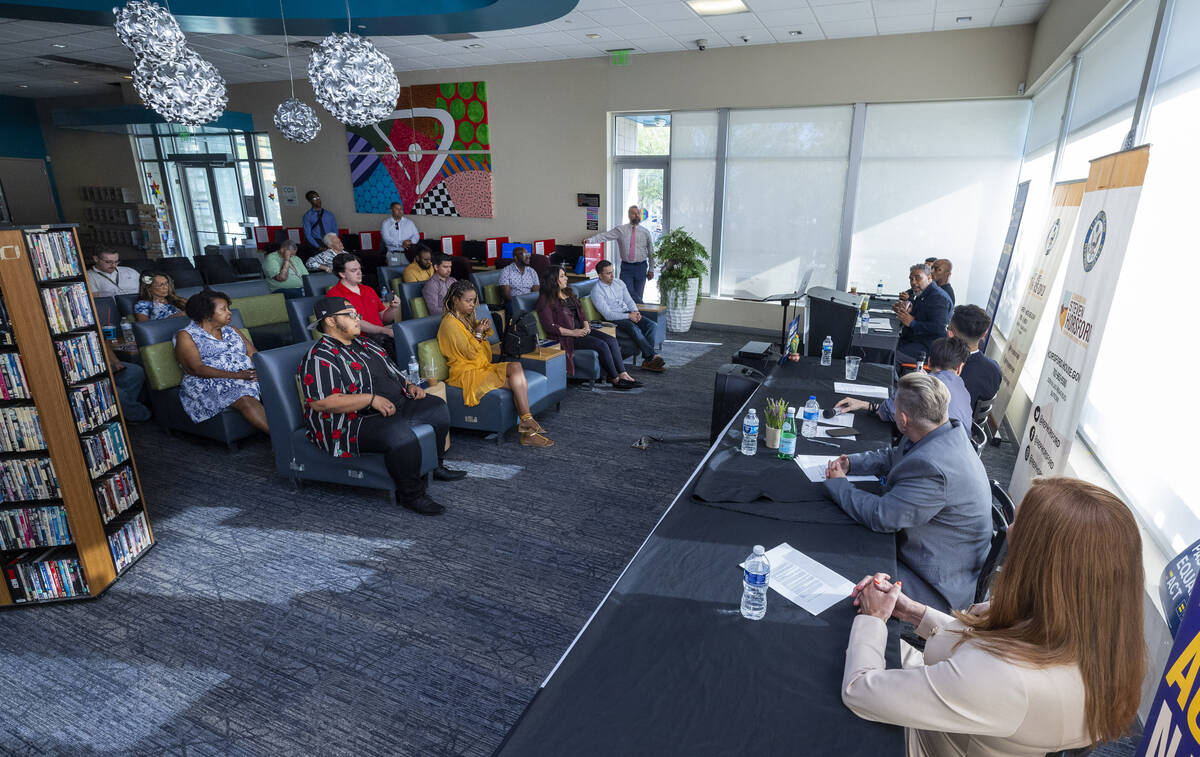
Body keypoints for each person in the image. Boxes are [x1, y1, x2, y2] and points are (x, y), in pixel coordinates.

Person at [843, 477, 1145, 757]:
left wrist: (874, 617)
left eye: (1018, 525)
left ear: (1040, 561)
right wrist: (914, 612)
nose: (1008, 531)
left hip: (915, 740)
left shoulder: (1006, 679)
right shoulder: (1091, 634)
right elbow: (989, 644)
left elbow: (859, 691)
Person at [823, 372, 990, 612]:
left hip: (935, 585)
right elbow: (897, 456)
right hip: (936, 555)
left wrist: (839, 484)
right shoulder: (943, 430)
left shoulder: (933, 468)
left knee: (839, 565)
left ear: (902, 419)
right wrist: (853, 463)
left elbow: (881, 516)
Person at [301, 296, 464, 515]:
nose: (357, 319)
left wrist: (409, 385)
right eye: (350, 315)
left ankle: (436, 466)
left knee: (436, 408)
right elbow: (322, 402)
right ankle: (411, 494)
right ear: (330, 321)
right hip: (351, 421)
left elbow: (392, 371)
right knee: (398, 433)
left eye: (357, 314)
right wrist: (370, 399)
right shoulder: (320, 356)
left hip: (392, 405)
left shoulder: (365, 343)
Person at [437, 280, 552, 447]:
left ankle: (527, 422)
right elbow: (470, 353)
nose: (472, 305)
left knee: (516, 366)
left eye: (473, 300)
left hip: (480, 367)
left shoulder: (466, 318)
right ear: (455, 300)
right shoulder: (449, 323)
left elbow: (483, 351)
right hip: (466, 373)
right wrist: (478, 332)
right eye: (468, 301)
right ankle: (528, 431)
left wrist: (480, 331)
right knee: (515, 384)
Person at [173, 290, 269, 433]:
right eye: (223, 309)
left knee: (277, 385)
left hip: (245, 375)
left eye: (228, 308)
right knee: (244, 397)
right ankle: (282, 440)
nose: (229, 312)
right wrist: (239, 376)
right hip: (208, 381)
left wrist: (261, 372)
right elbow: (197, 368)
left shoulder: (232, 330)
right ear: (206, 314)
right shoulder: (186, 335)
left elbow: (253, 354)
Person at [835, 337, 973, 432]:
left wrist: (862, 404)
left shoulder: (924, 387)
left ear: (929, 362)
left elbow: (886, 413)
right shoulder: (963, 389)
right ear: (960, 368)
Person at [537, 267, 641, 390]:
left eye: (565, 275)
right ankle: (615, 378)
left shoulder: (568, 293)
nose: (566, 278)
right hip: (567, 337)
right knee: (601, 345)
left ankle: (623, 374)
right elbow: (549, 327)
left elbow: (581, 313)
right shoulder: (545, 300)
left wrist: (586, 326)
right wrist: (573, 332)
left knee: (611, 340)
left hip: (582, 330)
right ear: (553, 280)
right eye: (562, 276)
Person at [589, 260, 665, 373]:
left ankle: (648, 360)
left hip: (628, 313)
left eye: (612, 272)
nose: (612, 275)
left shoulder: (619, 283)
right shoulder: (596, 291)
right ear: (600, 275)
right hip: (614, 318)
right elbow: (608, 315)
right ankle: (651, 358)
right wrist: (629, 316)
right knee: (633, 327)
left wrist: (635, 312)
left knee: (652, 325)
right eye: (608, 273)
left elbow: (629, 300)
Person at [324, 252, 401, 351]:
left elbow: (385, 318)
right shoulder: (334, 294)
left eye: (359, 269)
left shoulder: (368, 290)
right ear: (342, 274)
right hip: (357, 344)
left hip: (380, 339)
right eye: (354, 270)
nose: (359, 272)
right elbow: (355, 322)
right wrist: (385, 331)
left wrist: (393, 308)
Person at [586, 205, 655, 303]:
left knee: (639, 295)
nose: (636, 215)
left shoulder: (645, 232)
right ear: (629, 215)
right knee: (628, 292)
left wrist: (651, 269)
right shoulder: (621, 230)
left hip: (641, 267)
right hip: (627, 268)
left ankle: (637, 311)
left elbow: (651, 251)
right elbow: (605, 236)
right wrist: (590, 240)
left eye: (638, 213)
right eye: (633, 213)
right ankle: (643, 309)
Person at [894, 263, 953, 363]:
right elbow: (924, 316)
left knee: (891, 355)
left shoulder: (939, 298)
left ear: (929, 278)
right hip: (916, 340)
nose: (913, 282)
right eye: (911, 279)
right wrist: (909, 311)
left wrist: (912, 323)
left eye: (918, 278)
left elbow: (939, 328)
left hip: (929, 347)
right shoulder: (923, 293)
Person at [947, 304, 1001, 407]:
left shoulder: (947, 370)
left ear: (951, 334)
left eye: (948, 328)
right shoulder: (995, 369)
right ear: (984, 334)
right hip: (974, 417)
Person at [104, 340, 151, 423]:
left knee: (136, 372)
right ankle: (142, 414)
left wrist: (116, 362)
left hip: (105, 366)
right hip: (93, 377)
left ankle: (124, 413)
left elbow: (105, 344)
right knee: (118, 394)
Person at [497, 246, 539, 318]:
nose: (528, 256)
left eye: (528, 254)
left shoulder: (532, 271)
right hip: (513, 302)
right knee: (511, 306)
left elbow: (535, 293)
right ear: (515, 258)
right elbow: (507, 295)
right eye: (524, 255)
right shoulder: (506, 271)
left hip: (529, 301)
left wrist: (527, 302)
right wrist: (521, 303)